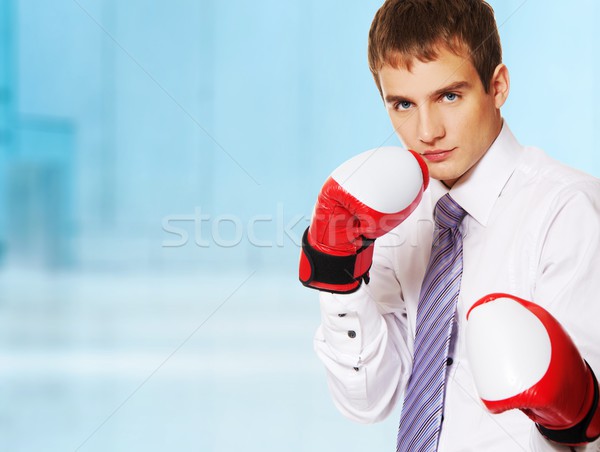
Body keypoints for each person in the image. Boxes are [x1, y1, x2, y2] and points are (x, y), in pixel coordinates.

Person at [298, 0, 600, 450]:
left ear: (497, 87)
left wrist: (576, 411)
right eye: (402, 104)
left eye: (449, 96)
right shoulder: (396, 218)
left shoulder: (566, 211)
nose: (426, 131)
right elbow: (368, 402)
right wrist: (338, 280)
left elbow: (586, 425)